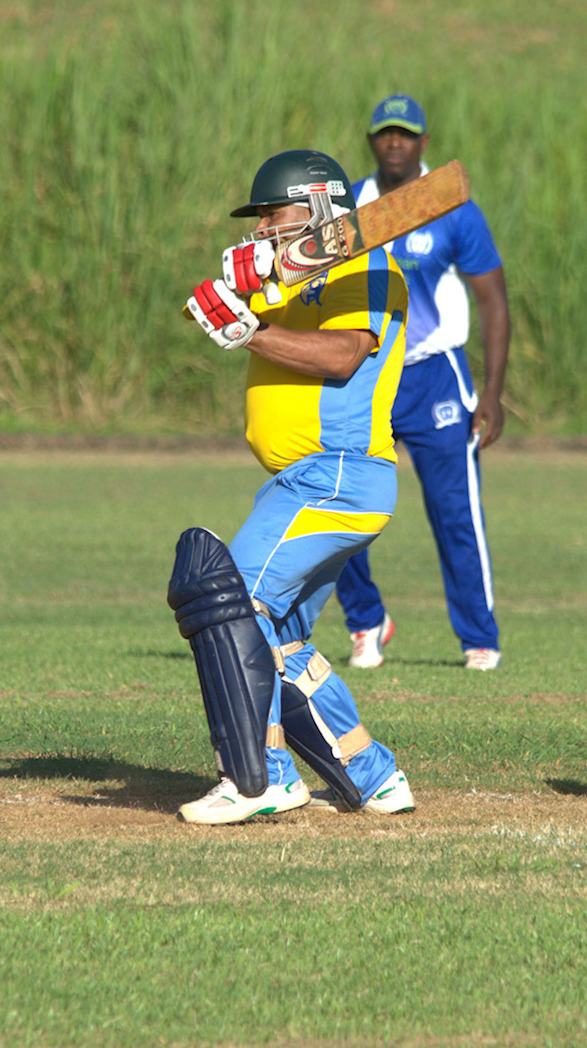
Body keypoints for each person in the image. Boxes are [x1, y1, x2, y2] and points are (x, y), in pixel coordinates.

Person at [170, 149, 416, 824]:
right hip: (306, 478)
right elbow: (207, 312)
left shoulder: (369, 264)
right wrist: (233, 286)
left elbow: (342, 356)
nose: (263, 228)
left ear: (314, 208)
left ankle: (262, 776)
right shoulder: (295, 278)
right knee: (276, 640)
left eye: (273, 215)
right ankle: (373, 774)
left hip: (337, 472)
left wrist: (250, 329)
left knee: (233, 601)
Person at [334, 94, 512, 671]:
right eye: (384, 133)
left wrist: (491, 392)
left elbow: (493, 300)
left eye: (405, 134)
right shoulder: (350, 209)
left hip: (436, 373)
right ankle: (366, 622)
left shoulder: (450, 206)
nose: (394, 142)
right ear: (370, 141)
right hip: (367, 372)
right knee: (338, 501)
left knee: (454, 512)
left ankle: (478, 639)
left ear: (423, 143)